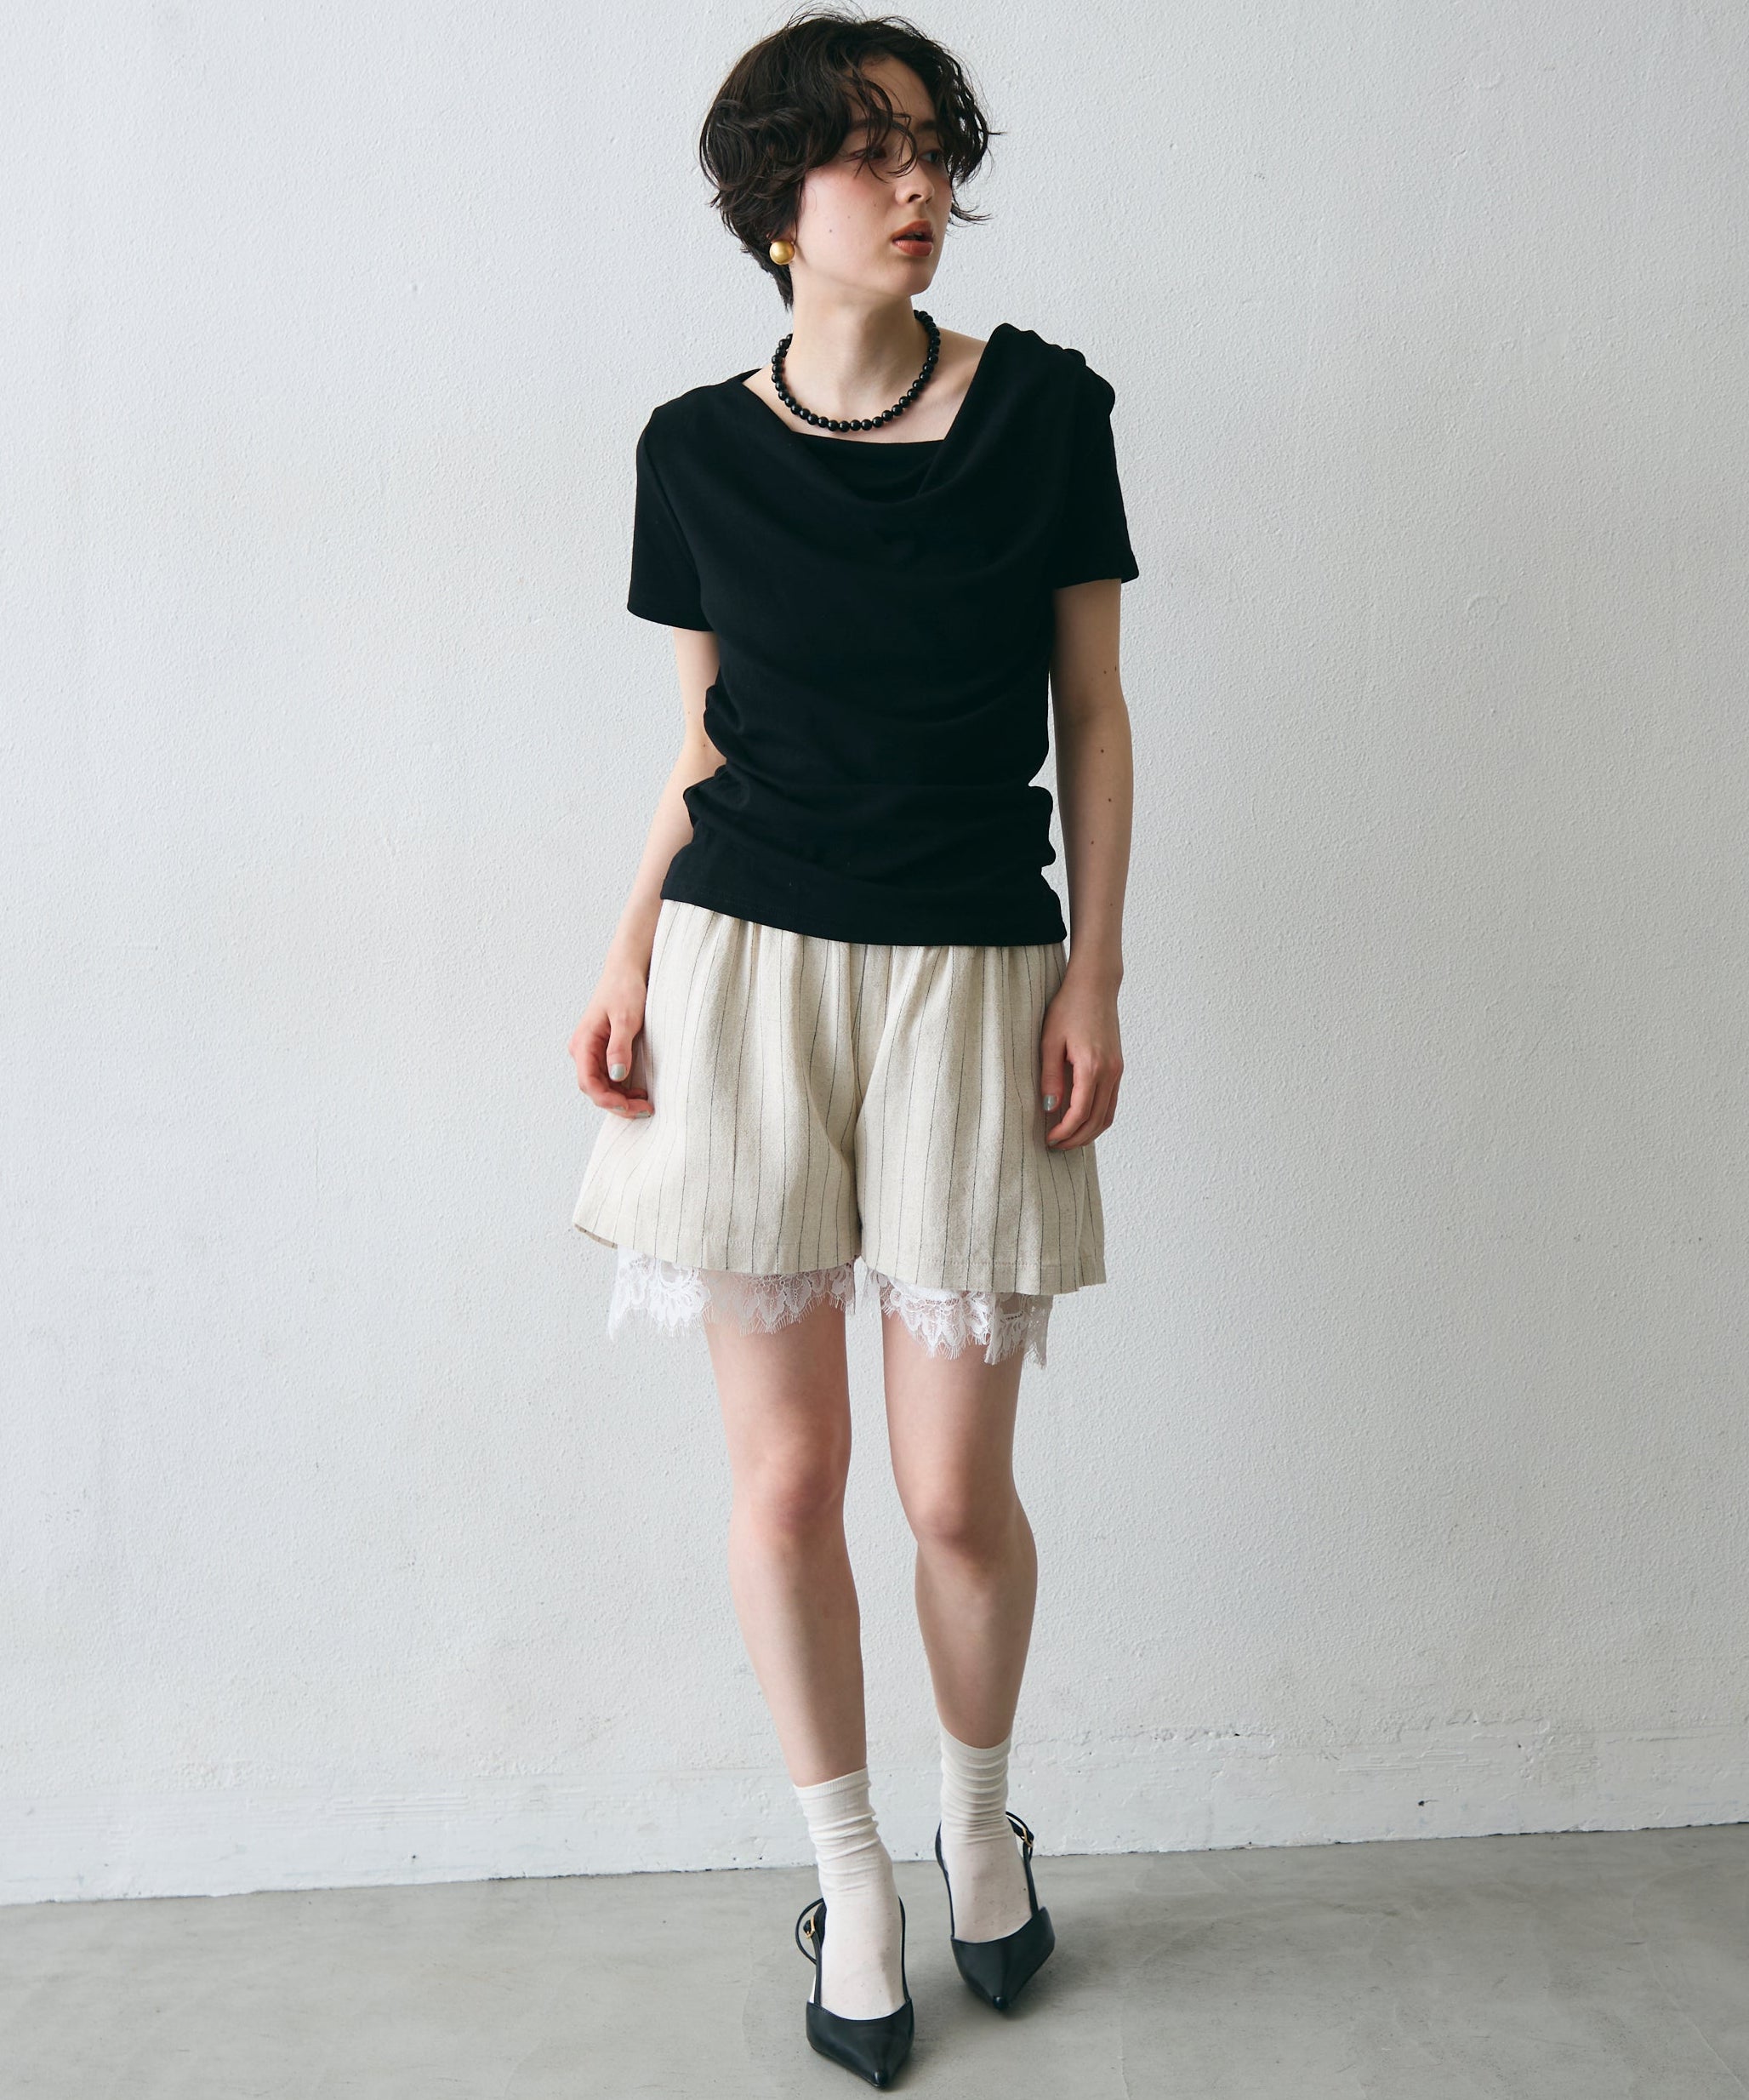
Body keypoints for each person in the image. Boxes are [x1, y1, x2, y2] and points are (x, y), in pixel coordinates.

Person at [567, 9, 1137, 2085]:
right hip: (740, 966)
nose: (915, 188)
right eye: (868, 153)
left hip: (972, 966)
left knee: (950, 1490)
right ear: (772, 204)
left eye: (930, 150)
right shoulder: (689, 449)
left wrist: (1092, 973)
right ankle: (853, 1878)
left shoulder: (1047, 410)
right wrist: (625, 951)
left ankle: (977, 1824)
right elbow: (703, 739)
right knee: (790, 1478)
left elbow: (1093, 715)